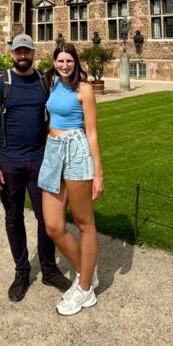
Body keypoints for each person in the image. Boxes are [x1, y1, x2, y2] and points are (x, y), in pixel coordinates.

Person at [0, 35, 71, 301]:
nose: (23, 56)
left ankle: (48, 268)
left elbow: (57, 112)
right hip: (9, 162)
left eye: (27, 51)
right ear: (12, 54)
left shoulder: (43, 82)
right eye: (18, 52)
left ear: (34, 53)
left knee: (46, 217)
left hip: (39, 161)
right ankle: (22, 270)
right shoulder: (1, 83)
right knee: (14, 218)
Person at [38, 43, 104, 317]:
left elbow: (92, 133)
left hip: (77, 152)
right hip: (53, 152)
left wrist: (98, 173)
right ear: (54, 62)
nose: (65, 65)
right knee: (53, 225)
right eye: (60, 60)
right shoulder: (51, 82)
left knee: (83, 223)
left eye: (69, 60)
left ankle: (85, 288)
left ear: (76, 62)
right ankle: (86, 271)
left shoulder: (85, 89)